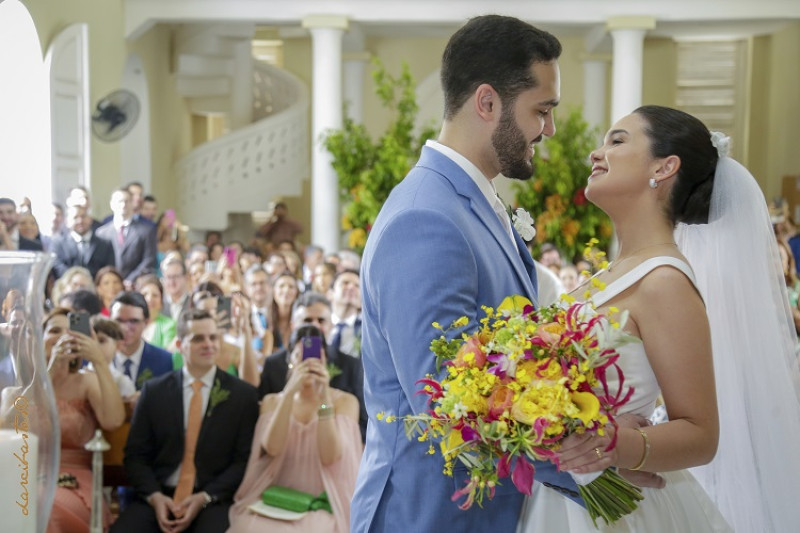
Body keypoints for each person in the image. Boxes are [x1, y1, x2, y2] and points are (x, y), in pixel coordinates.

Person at [519, 107, 782, 531]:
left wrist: (610, 445)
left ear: (664, 167)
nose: (595, 153)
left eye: (617, 141)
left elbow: (700, 433)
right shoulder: (609, 274)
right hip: (558, 495)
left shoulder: (664, 282)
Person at [351, 15, 566, 532]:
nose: (549, 129)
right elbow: (448, 395)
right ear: (487, 102)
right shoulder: (425, 218)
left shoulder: (467, 202)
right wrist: (587, 459)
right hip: (431, 513)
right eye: (542, 110)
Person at [111, 309, 259, 533]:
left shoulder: (242, 395)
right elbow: (135, 456)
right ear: (180, 346)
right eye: (198, 338)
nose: (208, 344)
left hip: (211, 499)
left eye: (213, 337)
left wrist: (205, 497)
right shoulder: (154, 391)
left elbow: (243, 461)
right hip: (160, 494)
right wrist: (155, 497)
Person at [228, 324, 362, 532]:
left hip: (322, 501)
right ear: (290, 361)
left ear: (326, 361)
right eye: (300, 355)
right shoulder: (272, 401)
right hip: (274, 498)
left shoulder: (345, 402)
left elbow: (330, 455)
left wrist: (324, 395)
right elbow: (272, 448)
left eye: (318, 356)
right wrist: (289, 394)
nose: (309, 361)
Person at [43, 308, 126, 533]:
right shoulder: (21, 387)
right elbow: (19, 428)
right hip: (28, 476)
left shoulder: (86, 383)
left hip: (73, 480)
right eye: (54, 331)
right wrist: (48, 373)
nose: (62, 337)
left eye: (69, 331)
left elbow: (113, 420)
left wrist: (98, 360)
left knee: (45, 509)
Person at [258, 291, 367, 439]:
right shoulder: (274, 364)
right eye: (307, 320)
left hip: (335, 447)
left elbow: (361, 423)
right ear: (293, 325)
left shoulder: (350, 365)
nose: (315, 326)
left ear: (331, 325)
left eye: (321, 321)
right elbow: (264, 420)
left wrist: (325, 398)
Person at [110, 291, 173, 390]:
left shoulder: (164, 360)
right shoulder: (96, 359)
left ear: (146, 323)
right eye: (119, 321)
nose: (125, 328)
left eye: (133, 321)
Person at [96, 188, 157, 287]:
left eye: (127, 201)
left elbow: (149, 260)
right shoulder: (101, 233)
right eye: (120, 201)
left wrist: (130, 280)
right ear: (112, 204)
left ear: (132, 204)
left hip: (135, 284)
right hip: (109, 286)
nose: (123, 205)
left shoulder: (146, 231)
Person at [51, 202, 116, 279]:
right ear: (67, 222)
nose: (80, 221)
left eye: (83, 216)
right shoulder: (58, 244)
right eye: (75, 217)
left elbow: (109, 269)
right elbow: (57, 266)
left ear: (90, 219)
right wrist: (75, 280)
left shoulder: (105, 244)